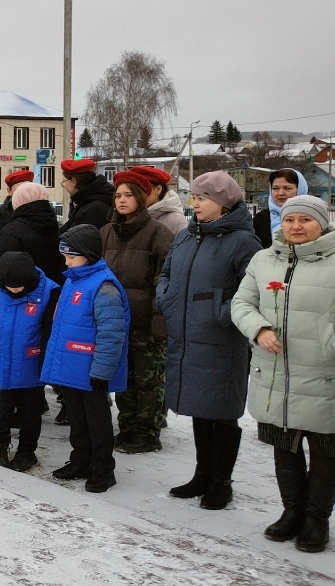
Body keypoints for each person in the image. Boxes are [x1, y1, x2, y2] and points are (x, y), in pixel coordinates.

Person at [232, 195, 335, 553]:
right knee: (284, 448)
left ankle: (316, 520)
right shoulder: (264, 259)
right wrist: (259, 329)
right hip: (274, 373)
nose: (296, 227)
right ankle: (291, 512)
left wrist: (328, 341)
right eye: (290, 219)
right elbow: (242, 302)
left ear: (322, 223)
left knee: (325, 452)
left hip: (324, 374)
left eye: (305, 220)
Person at [156, 171, 261, 510]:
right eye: (195, 197)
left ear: (223, 203)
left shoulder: (243, 242)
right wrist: (166, 297)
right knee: (200, 409)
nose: (195, 203)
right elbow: (167, 272)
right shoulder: (188, 235)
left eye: (202, 198)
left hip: (221, 340)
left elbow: (254, 289)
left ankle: (221, 482)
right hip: (187, 335)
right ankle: (202, 475)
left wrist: (220, 310)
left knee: (222, 413)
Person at [41, 225, 130, 494]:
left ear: (88, 255)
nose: (66, 263)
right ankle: (81, 460)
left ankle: (104, 469)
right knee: (77, 419)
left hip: (92, 370)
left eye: (71, 257)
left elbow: (112, 332)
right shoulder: (74, 279)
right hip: (71, 366)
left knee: (97, 421)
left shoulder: (104, 285)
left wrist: (102, 372)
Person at [101, 170, 173, 454]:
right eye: (118, 195)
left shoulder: (159, 233)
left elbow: (164, 281)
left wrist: (158, 320)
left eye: (129, 195)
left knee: (148, 381)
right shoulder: (106, 232)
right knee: (123, 378)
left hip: (146, 322)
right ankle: (127, 427)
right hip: (116, 321)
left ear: (142, 198)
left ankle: (147, 432)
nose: (122, 200)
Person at [0, 252, 58, 472]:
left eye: (17, 287)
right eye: (9, 287)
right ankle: (0, 443)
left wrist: (46, 364)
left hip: (32, 362)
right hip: (4, 358)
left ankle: (27, 451)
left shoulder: (49, 292)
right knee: (3, 405)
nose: (13, 291)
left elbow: (50, 332)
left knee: (31, 410)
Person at [0, 181, 65, 285]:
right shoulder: (56, 227)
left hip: (19, 292)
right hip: (52, 291)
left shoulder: (11, 232)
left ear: (17, 202)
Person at [253, 168, 308, 248]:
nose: (280, 193)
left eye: (287, 188)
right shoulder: (259, 220)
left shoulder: (311, 217)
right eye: (275, 188)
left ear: (300, 189)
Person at [59, 159, 115, 234]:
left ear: (73, 181)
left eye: (64, 181)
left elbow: (77, 239)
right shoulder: (84, 202)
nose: (64, 186)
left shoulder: (94, 209)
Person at [130, 165, 186, 235]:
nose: (138, 194)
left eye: (143, 189)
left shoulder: (176, 221)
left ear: (158, 189)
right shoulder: (129, 215)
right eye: (134, 190)